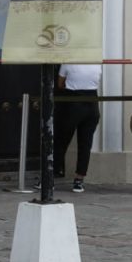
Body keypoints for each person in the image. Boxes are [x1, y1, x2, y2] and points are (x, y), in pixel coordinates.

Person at [54, 63, 102, 193]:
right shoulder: (97, 64)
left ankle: (49, 178)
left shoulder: (68, 64)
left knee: (61, 142)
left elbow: (60, 84)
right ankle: (79, 180)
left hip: (72, 103)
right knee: (85, 145)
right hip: (92, 104)